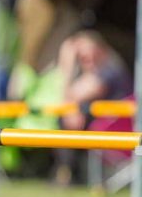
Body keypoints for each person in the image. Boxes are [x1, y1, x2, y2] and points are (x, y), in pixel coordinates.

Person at [54, 30, 133, 185]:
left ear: (100, 49)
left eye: (87, 53)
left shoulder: (109, 70)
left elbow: (74, 94)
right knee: (67, 117)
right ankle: (67, 172)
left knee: (66, 119)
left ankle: (67, 174)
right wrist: (73, 110)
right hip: (105, 122)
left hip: (117, 126)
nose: (85, 58)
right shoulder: (97, 69)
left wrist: (67, 64)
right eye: (80, 56)